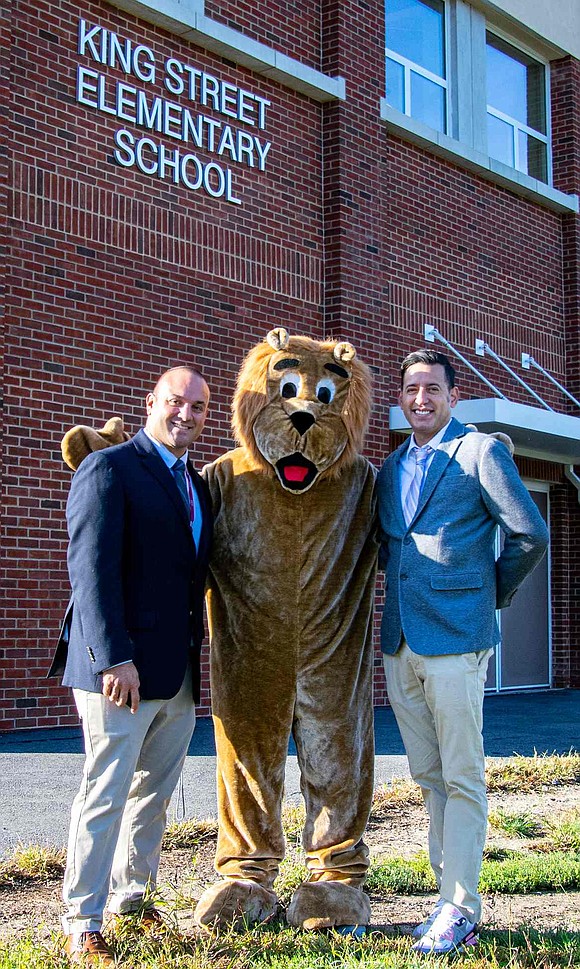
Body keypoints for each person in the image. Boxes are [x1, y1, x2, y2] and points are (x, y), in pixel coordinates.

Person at [377, 349, 549, 955]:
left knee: (462, 775)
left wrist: (485, 596)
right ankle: (447, 898)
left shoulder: (480, 453)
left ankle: (461, 907)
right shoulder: (390, 468)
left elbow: (531, 532)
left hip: (456, 640)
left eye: (431, 389)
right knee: (428, 778)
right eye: (410, 390)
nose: (419, 399)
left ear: (453, 397)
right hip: (399, 644)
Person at [49, 366, 212, 965]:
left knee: (154, 795)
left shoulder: (194, 485)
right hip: (119, 671)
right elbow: (90, 574)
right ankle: (82, 921)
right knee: (105, 791)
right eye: (177, 403)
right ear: (152, 402)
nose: (186, 415)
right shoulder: (111, 467)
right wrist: (113, 657)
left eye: (198, 408)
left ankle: (131, 901)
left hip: (177, 674)